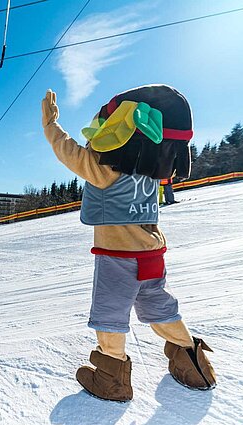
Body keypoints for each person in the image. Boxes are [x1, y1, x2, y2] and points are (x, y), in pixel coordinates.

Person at [42, 85, 216, 402]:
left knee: (110, 314)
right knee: (159, 307)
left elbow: (68, 151)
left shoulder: (104, 171)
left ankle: (112, 378)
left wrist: (50, 124)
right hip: (152, 252)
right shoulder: (152, 172)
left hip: (118, 256)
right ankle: (193, 362)